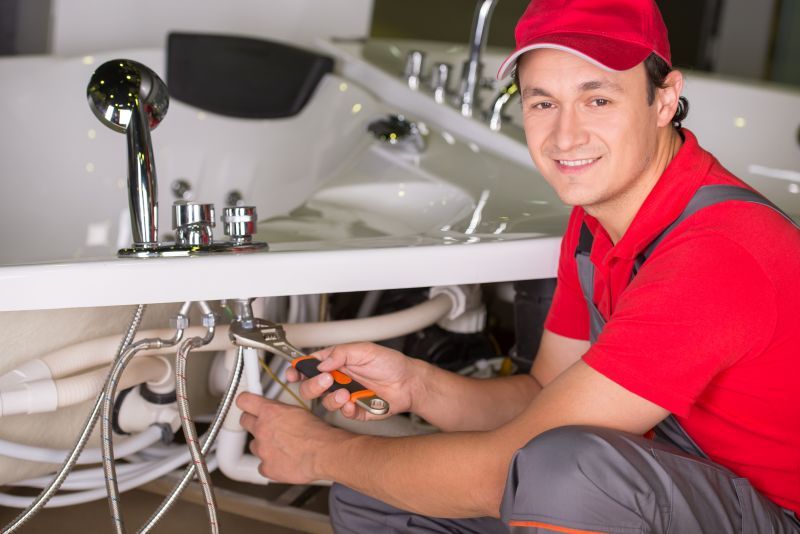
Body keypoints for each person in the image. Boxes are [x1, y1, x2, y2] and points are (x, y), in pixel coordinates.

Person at [237, 0, 800, 531]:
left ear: (664, 99)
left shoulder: (720, 250)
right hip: (683, 487)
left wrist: (321, 452)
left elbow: (512, 469)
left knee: (567, 472)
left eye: (597, 99)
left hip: (774, 516)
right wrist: (420, 386)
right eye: (542, 102)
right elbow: (545, 395)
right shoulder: (599, 218)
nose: (565, 136)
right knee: (376, 487)